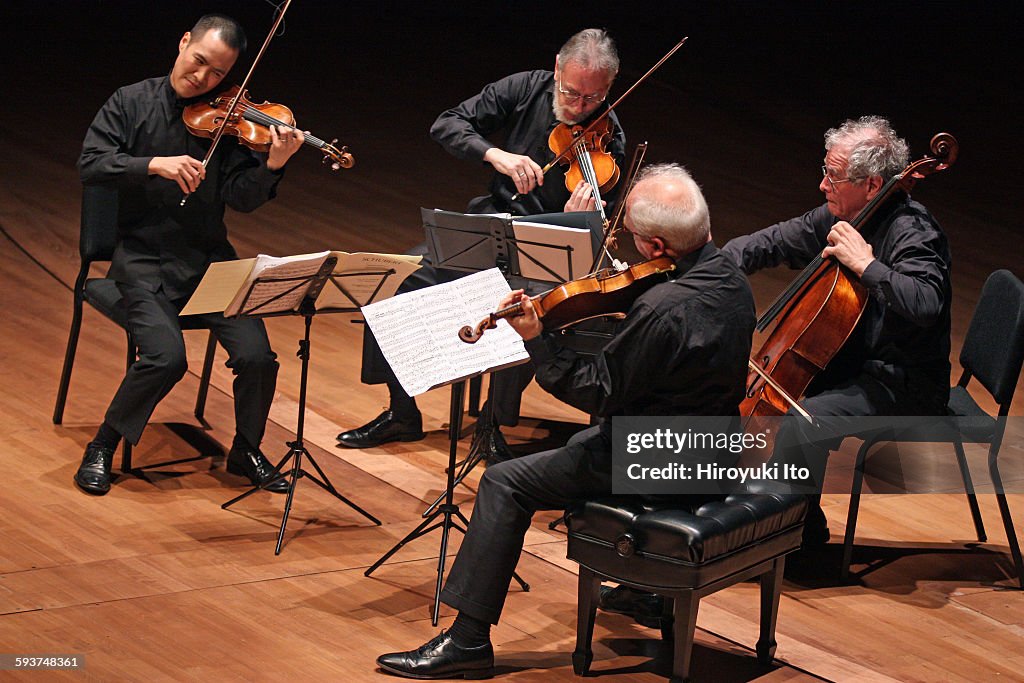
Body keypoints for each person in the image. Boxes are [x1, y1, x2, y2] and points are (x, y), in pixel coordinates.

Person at [375, 163, 756, 679]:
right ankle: (645, 591)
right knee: (583, 442)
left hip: (656, 457)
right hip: (715, 447)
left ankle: (467, 642)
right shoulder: (730, 276)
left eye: (637, 237)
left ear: (659, 247)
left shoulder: (664, 307)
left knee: (505, 482)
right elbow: (655, 364)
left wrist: (537, 338)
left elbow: (592, 389)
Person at [336, 28, 627, 463]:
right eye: (571, 93)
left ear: (608, 90)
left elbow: (603, 229)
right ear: (556, 69)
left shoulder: (609, 138)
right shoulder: (525, 87)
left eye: (593, 99)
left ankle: (491, 425)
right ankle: (402, 410)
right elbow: (447, 123)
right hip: (490, 226)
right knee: (399, 279)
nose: (580, 107)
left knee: (527, 312)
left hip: (547, 254)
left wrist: (576, 216)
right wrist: (496, 155)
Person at [73, 14, 305, 496]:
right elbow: (91, 163)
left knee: (258, 356)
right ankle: (102, 444)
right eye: (198, 62)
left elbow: (241, 196)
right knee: (165, 357)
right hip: (143, 260)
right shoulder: (130, 101)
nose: (202, 79)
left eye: (218, 74)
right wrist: (152, 164)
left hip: (208, 263)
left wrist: (273, 166)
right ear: (183, 43)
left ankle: (246, 449)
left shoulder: (231, 120)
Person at [722, 115, 952, 548]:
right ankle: (746, 516)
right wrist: (711, 269)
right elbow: (770, 242)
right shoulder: (844, 215)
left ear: (872, 184)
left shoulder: (915, 232)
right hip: (849, 366)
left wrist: (867, 266)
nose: (823, 186)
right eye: (824, 172)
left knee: (800, 426)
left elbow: (926, 303)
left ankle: (803, 541)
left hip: (903, 383)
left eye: (833, 176)